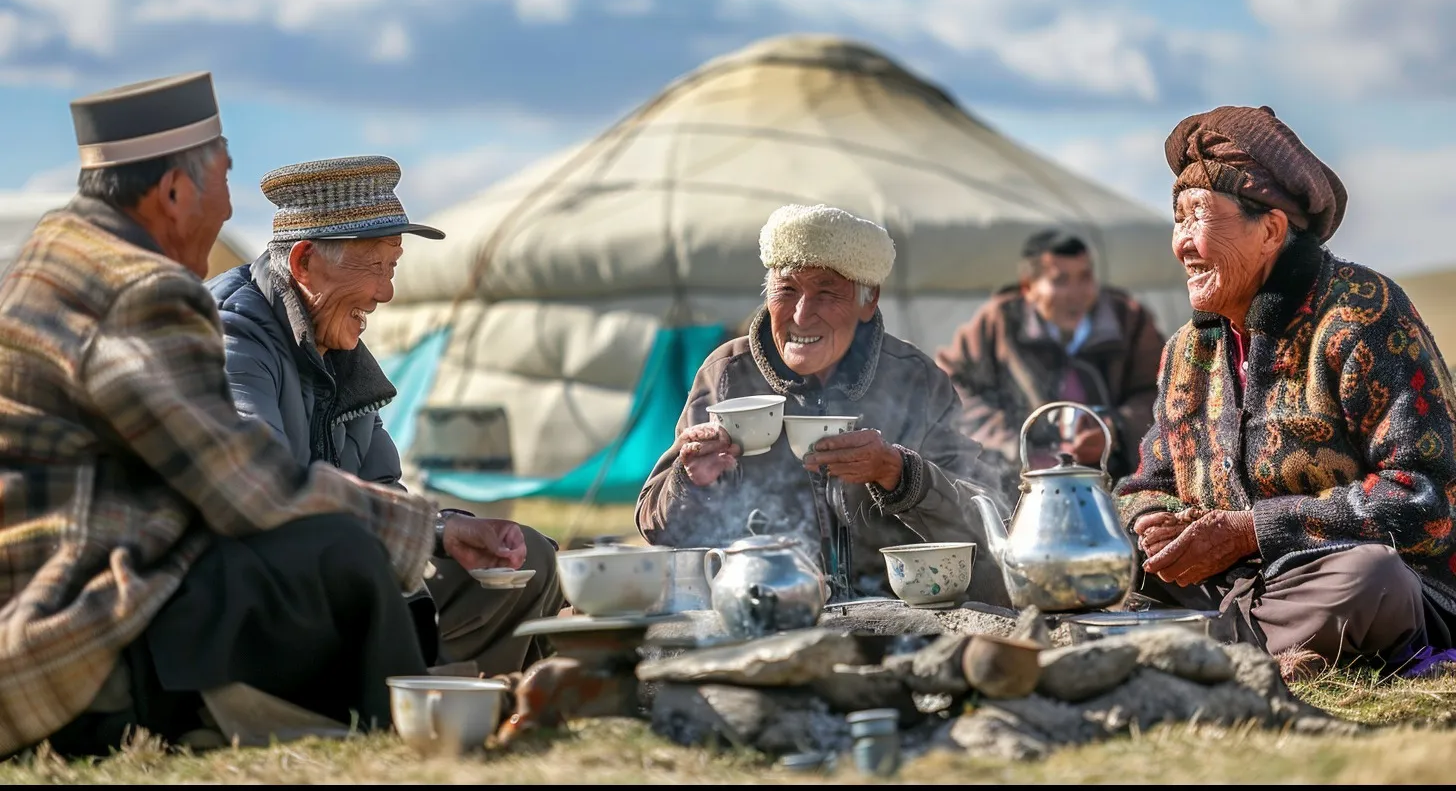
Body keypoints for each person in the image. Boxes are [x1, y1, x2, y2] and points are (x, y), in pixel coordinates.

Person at [0, 73, 513, 759]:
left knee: (338, 548)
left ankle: (420, 706)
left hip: (58, 604)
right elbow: (250, 488)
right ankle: (409, 737)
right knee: (340, 554)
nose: (228, 210)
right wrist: (429, 529)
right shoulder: (142, 292)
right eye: (224, 180)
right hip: (79, 644)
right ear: (175, 192)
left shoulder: (55, 261)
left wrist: (429, 529)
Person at [1115, 104, 1456, 677]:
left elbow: (1428, 496)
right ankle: (1239, 647)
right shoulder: (1188, 352)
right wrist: (1161, 526)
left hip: (1346, 585)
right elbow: (1143, 485)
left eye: (1199, 216)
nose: (1182, 244)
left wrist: (1252, 531)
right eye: (1177, 218)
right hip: (1229, 591)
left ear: (1271, 229)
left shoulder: (1361, 317)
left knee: (1372, 579)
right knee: (1106, 561)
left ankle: (1196, 648)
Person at [207, 155, 563, 678]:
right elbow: (264, 499)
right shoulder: (231, 338)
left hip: (346, 566)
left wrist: (448, 530)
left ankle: (466, 701)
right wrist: (422, 536)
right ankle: (397, 695)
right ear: (304, 262)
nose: (386, 292)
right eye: (373, 267)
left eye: (391, 268)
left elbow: (382, 487)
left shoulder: (338, 349)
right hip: (259, 591)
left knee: (526, 559)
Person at [635, 203, 1010, 606]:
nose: (801, 314)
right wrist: (690, 482)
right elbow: (655, 525)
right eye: (787, 290)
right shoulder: (728, 375)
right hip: (764, 610)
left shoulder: (914, 380)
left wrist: (899, 473)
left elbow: (987, 516)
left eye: (826, 292)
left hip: (899, 616)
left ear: (869, 301)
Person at [935, 231, 1164, 500]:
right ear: (1028, 288)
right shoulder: (998, 322)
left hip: (1116, 482)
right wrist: (1016, 445)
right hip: (1024, 487)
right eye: (1061, 281)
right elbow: (952, 386)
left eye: (1085, 277)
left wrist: (1114, 431)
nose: (1078, 294)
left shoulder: (1128, 320)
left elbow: (1160, 390)